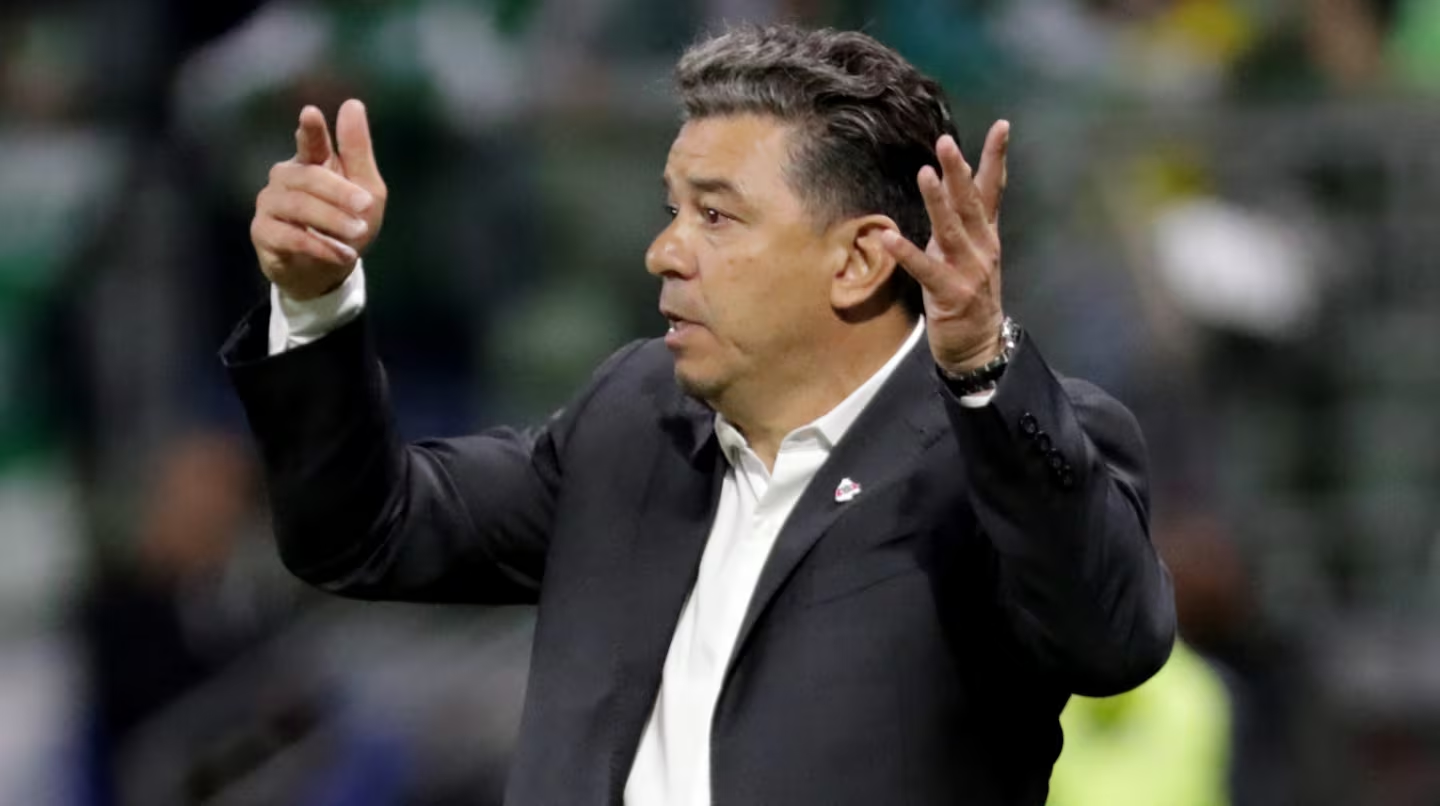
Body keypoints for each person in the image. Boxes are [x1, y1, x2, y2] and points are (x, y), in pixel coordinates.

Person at [223, 23, 1176, 806]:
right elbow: (364, 533)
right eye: (672, 209)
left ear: (858, 260)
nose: (664, 251)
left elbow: (1112, 641)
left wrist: (982, 371)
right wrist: (314, 300)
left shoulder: (1000, 447)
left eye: (714, 216)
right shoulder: (635, 417)